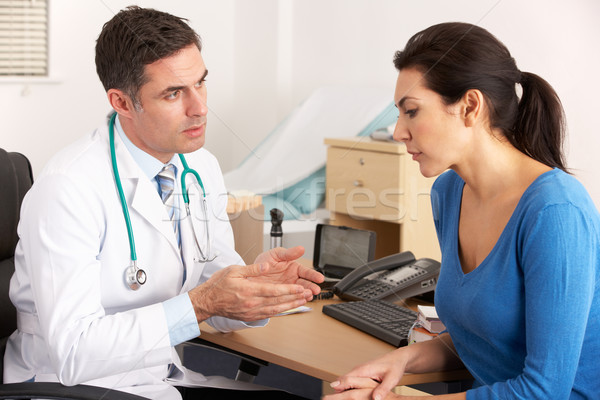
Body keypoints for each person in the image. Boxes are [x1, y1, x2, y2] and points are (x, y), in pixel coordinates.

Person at [3, 6, 324, 399]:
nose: (200, 108)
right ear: (122, 102)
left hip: (159, 375)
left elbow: (214, 291)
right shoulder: (67, 188)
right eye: (174, 93)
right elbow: (73, 353)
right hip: (71, 385)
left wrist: (253, 288)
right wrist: (202, 303)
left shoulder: (198, 167)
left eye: (201, 84)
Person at [325, 22, 599, 400]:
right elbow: (482, 340)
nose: (398, 132)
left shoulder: (555, 212)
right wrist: (403, 360)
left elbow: (545, 390)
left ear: (470, 106)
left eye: (412, 112)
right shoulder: (449, 191)